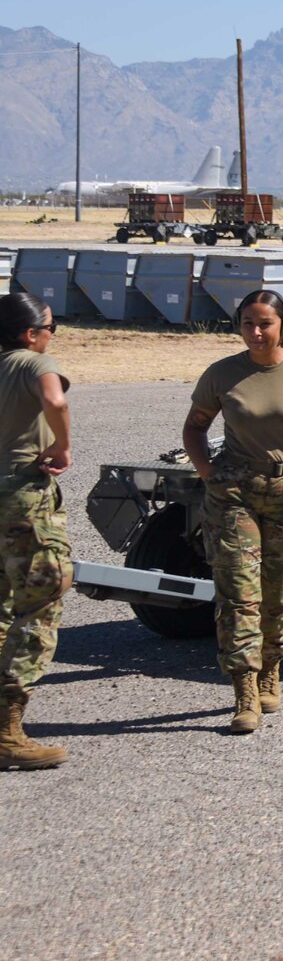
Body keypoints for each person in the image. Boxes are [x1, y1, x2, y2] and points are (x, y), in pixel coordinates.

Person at [181, 290, 283, 735]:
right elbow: (195, 427)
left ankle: (271, 667)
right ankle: (244, 691)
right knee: (238, 592)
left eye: (265, 324)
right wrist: (208, 474)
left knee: (278, 590)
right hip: (235, 492)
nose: (255, 332)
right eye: (247, 323)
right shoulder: (221, 374)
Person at [0, 294, 72, 771]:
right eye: (50, 327)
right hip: (24, 496)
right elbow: (55, 399)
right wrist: (63, 447)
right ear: (31, 333)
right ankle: (8, 729)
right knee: (42, 596)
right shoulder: (33, 362)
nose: (51, 335)